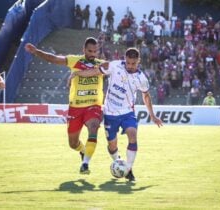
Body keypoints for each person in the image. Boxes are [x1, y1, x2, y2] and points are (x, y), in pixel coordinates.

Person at [70, 48, 163, 181]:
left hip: (127, 113)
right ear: (124, 59)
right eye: (128, 63)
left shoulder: (141, 78)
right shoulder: (114, 66)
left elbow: (146, 96)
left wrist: (152, 115)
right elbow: (95, 71)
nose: (130, 66)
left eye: (133, 63)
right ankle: (118, 161)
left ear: (138, 61)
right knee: (112, 145)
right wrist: (79, 73)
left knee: (132, 134)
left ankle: (129, 169)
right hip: (110, 113)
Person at [25, 37, 104, 174]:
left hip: (93, 105)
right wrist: (36, 51)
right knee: (73, 144)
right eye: (90, 51)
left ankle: (85, 164)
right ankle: (83, 151)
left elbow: (118, 67)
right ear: (83, 50)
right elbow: (54, 59)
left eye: (95, 51)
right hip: (75, 108)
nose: (93, 54)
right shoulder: (75, 60)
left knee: (94, 126)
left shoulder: (102, 64)